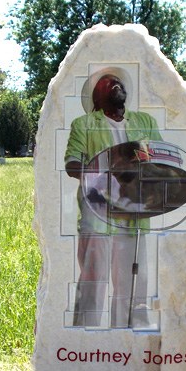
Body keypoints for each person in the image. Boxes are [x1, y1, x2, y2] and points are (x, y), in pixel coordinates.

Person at [65, 71, 162, 328]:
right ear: (98, 95)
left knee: (133, 285)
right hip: (98, 214)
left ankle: (131, 340)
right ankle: (84, 343)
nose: (116, 83)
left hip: (134, 211)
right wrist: (102, 175)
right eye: (108, 81)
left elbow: (160, 157)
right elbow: (72, 164)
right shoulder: (83, 125)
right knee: (92, 282)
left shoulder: (145, 121)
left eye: (118, 80)